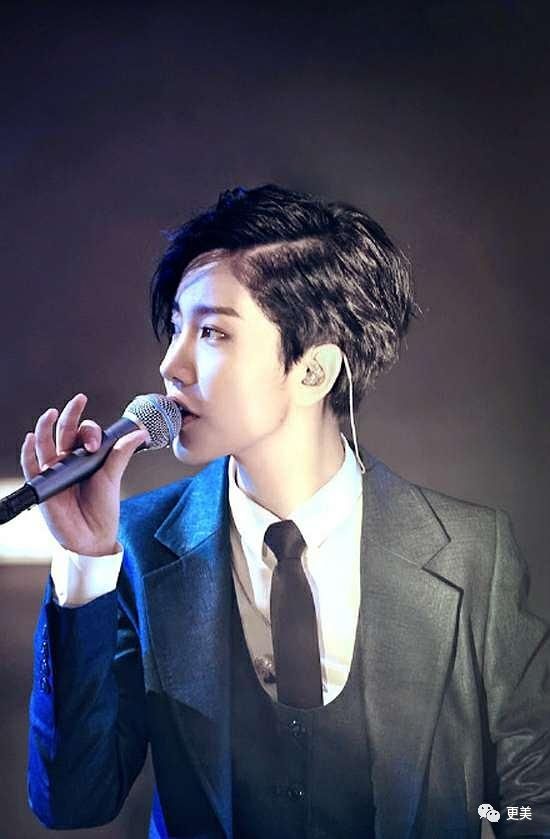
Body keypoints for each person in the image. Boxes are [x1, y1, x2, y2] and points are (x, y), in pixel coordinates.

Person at [25, 185, 550, 838]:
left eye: (212, 331)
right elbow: (73, 801)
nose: (170, 365)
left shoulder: (473, 553)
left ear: (313, 372)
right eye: (177, 327)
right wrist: (83, 561)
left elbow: (535, 801)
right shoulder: (134, 548)